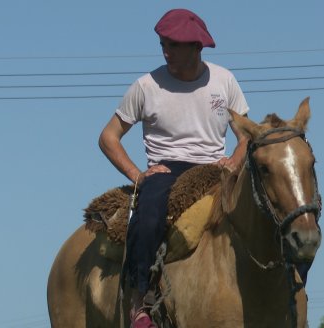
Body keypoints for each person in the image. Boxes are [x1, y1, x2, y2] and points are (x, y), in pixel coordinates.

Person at [99, 8, 249, 328]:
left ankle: (290, 289)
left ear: (196, 47)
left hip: (214, 168)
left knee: (271, 206)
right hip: (166, 169)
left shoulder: (224, 80)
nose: (165, 50)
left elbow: (247, 136)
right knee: (149, 212)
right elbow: (108, 137)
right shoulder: (146, 86)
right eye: (163, 43)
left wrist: (234, 161)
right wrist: (137, 175)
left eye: (173, 44)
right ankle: (140, 303)